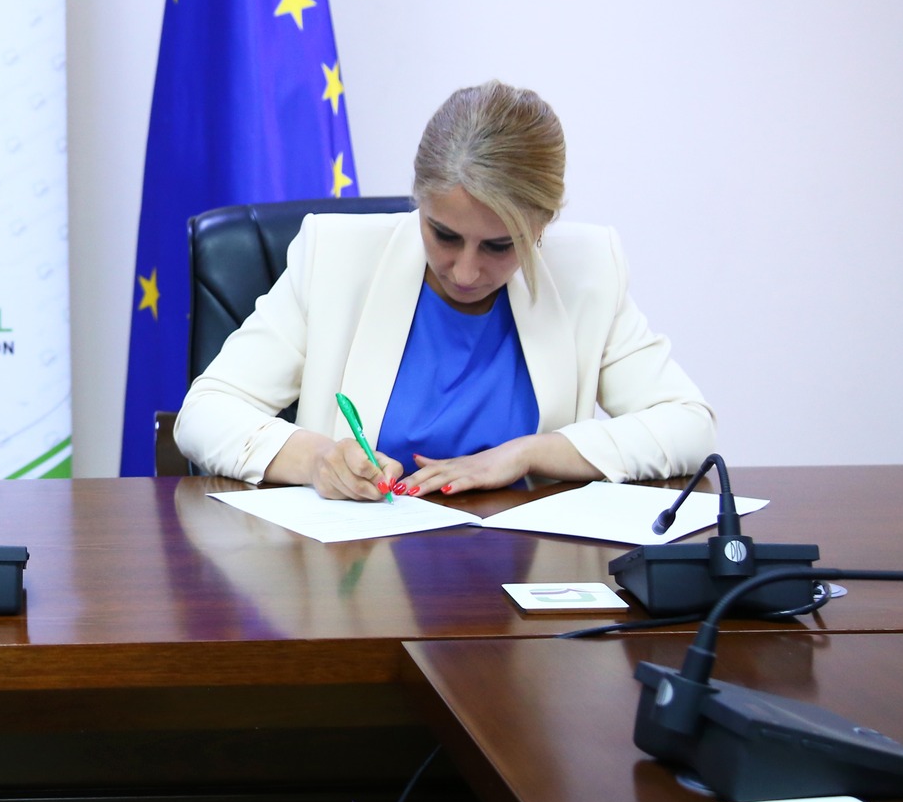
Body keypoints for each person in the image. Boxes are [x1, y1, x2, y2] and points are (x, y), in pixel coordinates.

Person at [175, 80, 713, 500]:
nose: (465, 272)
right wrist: (318, 459)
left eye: (499, 246)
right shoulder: (334, 257)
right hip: (355, 575)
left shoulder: (588, 270)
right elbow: (205, 411)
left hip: (528, 579)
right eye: (444, 235)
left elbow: (690, 426)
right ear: (419, 201)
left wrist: (529, 453)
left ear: (542, 225)